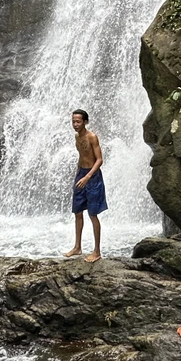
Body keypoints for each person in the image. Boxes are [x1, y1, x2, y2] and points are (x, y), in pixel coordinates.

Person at [65, 108, 106, 262]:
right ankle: (77, 247)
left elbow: (99, 160)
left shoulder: (92, 137)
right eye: (73, 121)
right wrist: (77, 176)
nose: (75, 124)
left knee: (93, 214)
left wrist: (88, 177)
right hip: (81, 174)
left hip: (92, 176)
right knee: (77, 212)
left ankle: (97, 251)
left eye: (78, 121)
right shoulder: (77, 137)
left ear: (85, 122)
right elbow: (82, 156)